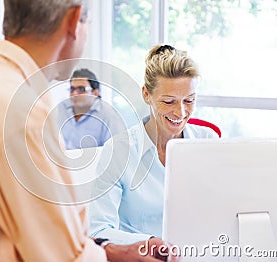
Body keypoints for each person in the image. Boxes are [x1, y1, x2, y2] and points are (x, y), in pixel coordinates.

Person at [0, 1, 171, 261]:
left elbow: (38, 234)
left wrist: (110, 250)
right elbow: (62, 257)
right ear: (74, 21)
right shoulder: (20, 111)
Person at [88, 44, 218, 245]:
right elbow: (99, 230)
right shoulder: (119, 151)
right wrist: (150, 243)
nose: (181, 112)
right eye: (168, 102)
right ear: (146, 94)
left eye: (189, 100)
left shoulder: (208, 142)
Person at [57, 68, 125, 149]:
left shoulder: (109, 116)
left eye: (81, 89)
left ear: (95, 93)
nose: (75, 93)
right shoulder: (61, 108)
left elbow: (115, 150)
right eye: (72, 89)